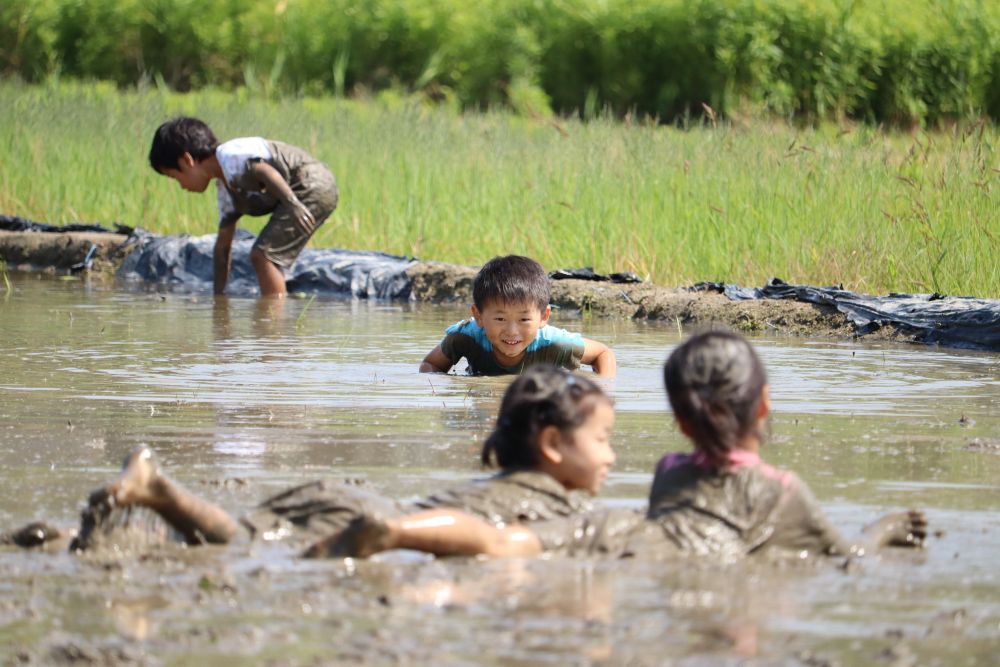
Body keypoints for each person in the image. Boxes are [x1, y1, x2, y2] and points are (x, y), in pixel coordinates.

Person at [326, 331, 927, 561]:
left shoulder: (669, 468)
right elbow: (847, 557)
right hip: (662, 555)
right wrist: (884, 528)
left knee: (502, 541)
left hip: (614, 530)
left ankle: (400, 529)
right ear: (762, 406)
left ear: (681, 419)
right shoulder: (784, 492)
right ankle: (396, 534)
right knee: (502, 547)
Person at [47, 367, 617, 555]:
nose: (612, 456)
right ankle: (157, 493)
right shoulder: (561, 506)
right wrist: (393, 532)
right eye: (604, 439)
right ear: (552, 446)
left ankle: (73, 528)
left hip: (346, 494)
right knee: (242, 550)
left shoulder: (495, 479)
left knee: (243, 538)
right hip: (371, 516)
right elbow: (495, 540)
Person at [148, 117, 339, 297]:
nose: (181, 186)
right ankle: (275, 315)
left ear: (187, 160)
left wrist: (293, 205)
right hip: (304, 192)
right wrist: (219, 299)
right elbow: (223, 248)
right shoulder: (225, 188)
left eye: (175, 177)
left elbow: (264, 171)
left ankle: (274, 325)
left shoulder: (230, 155)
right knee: (265, 256)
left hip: (310, 185)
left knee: (263, 255)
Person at [420, 255, 617, 377]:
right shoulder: (465, 337)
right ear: (478, 316)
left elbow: (602, 354)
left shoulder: (553, 343)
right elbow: (430, 364)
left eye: (524, 319)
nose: (512, 331)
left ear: (543, 316)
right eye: (500, 319)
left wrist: (604, 390)